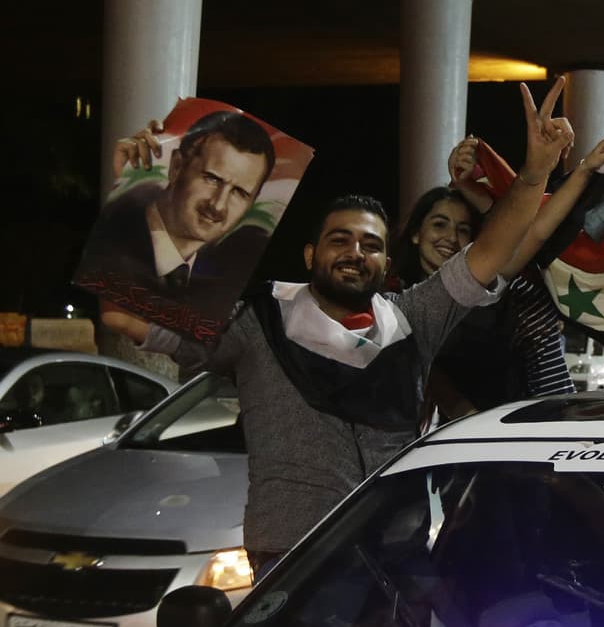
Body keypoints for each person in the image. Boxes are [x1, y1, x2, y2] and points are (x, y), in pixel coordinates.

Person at [102, 80, 575, 577]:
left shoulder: (413, 317)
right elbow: (122, 315)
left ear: (387, 259)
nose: (355, 253)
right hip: (293, 564)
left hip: (398, 560)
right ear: (310, 255)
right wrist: (136, 194)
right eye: (339, 240)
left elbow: (492, 252)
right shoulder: (255, 321)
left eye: (370, 244)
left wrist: (535, 172)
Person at [394, 133, 604, 423]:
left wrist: (585, 169)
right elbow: (442, 390)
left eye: (463, 229)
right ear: (415, 233)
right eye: (439, 224)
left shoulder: (481, 285)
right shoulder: (401, 306)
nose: (450, 237)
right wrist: (490, 434)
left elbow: (534, 232)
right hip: (486, 441)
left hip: (550, 418)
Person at [80, 111, 276, 324]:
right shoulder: (113, 237)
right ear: (176, 167)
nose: (218, 204)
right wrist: (119, 179)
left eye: (239, 192)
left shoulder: (228, 283)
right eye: (211, 178)